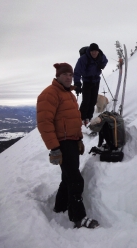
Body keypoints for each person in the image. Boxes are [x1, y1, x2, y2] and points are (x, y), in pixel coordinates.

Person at [37, 63, 99, 229]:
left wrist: (78, 139)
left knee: (68, 177)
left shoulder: (69, 94)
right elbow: (44, 123)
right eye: (65, 74)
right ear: (58, 76)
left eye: (70, 75)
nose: (68, 77)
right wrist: (54, 148)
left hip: (71, 141)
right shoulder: (50, 93)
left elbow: (73, 120)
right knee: (75, 180)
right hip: (62, 143)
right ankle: (78, 217)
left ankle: (60, 206)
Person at [74, 43, 108, 126]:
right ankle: (81, 118)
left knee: (93, 101)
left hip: (96, 81)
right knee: (86, 100)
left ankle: (88, 118)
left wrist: (102, 65)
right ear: (90, 51)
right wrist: (77, 83)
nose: (94, 53)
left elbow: (105, 60)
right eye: (92, 51)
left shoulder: (101, 56)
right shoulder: (83, 58)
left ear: (98, 51)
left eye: (95, 51)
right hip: (87, 81)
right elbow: (77, 72)